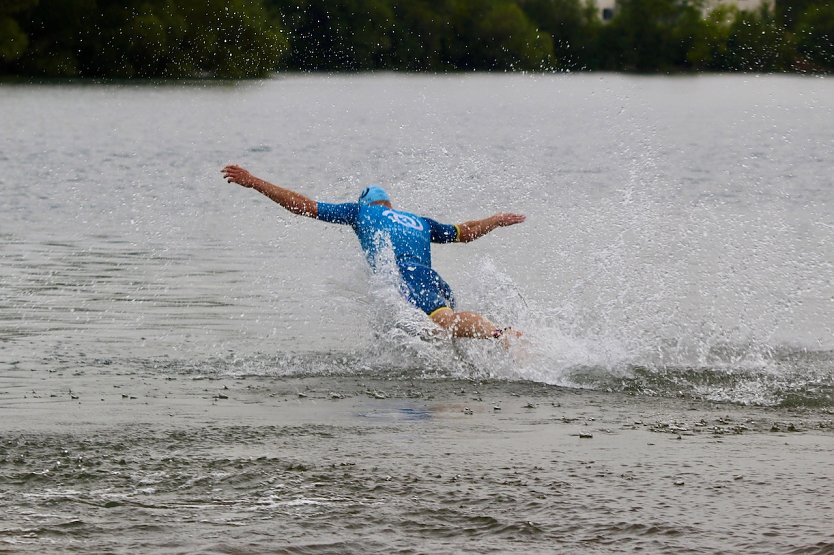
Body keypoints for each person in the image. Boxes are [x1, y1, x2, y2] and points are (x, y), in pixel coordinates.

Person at [221, 164, 526, 341]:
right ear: (389, 205)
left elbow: (302, 205)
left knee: (446, 323)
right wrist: (497, 220)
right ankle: (495, 338)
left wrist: (254, 182)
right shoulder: (419, 221)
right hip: (433, 279)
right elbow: (465, 232)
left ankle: (501, 334)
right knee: (440, 335)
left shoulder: (360, 212)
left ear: (366, 204)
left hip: (407, 276)